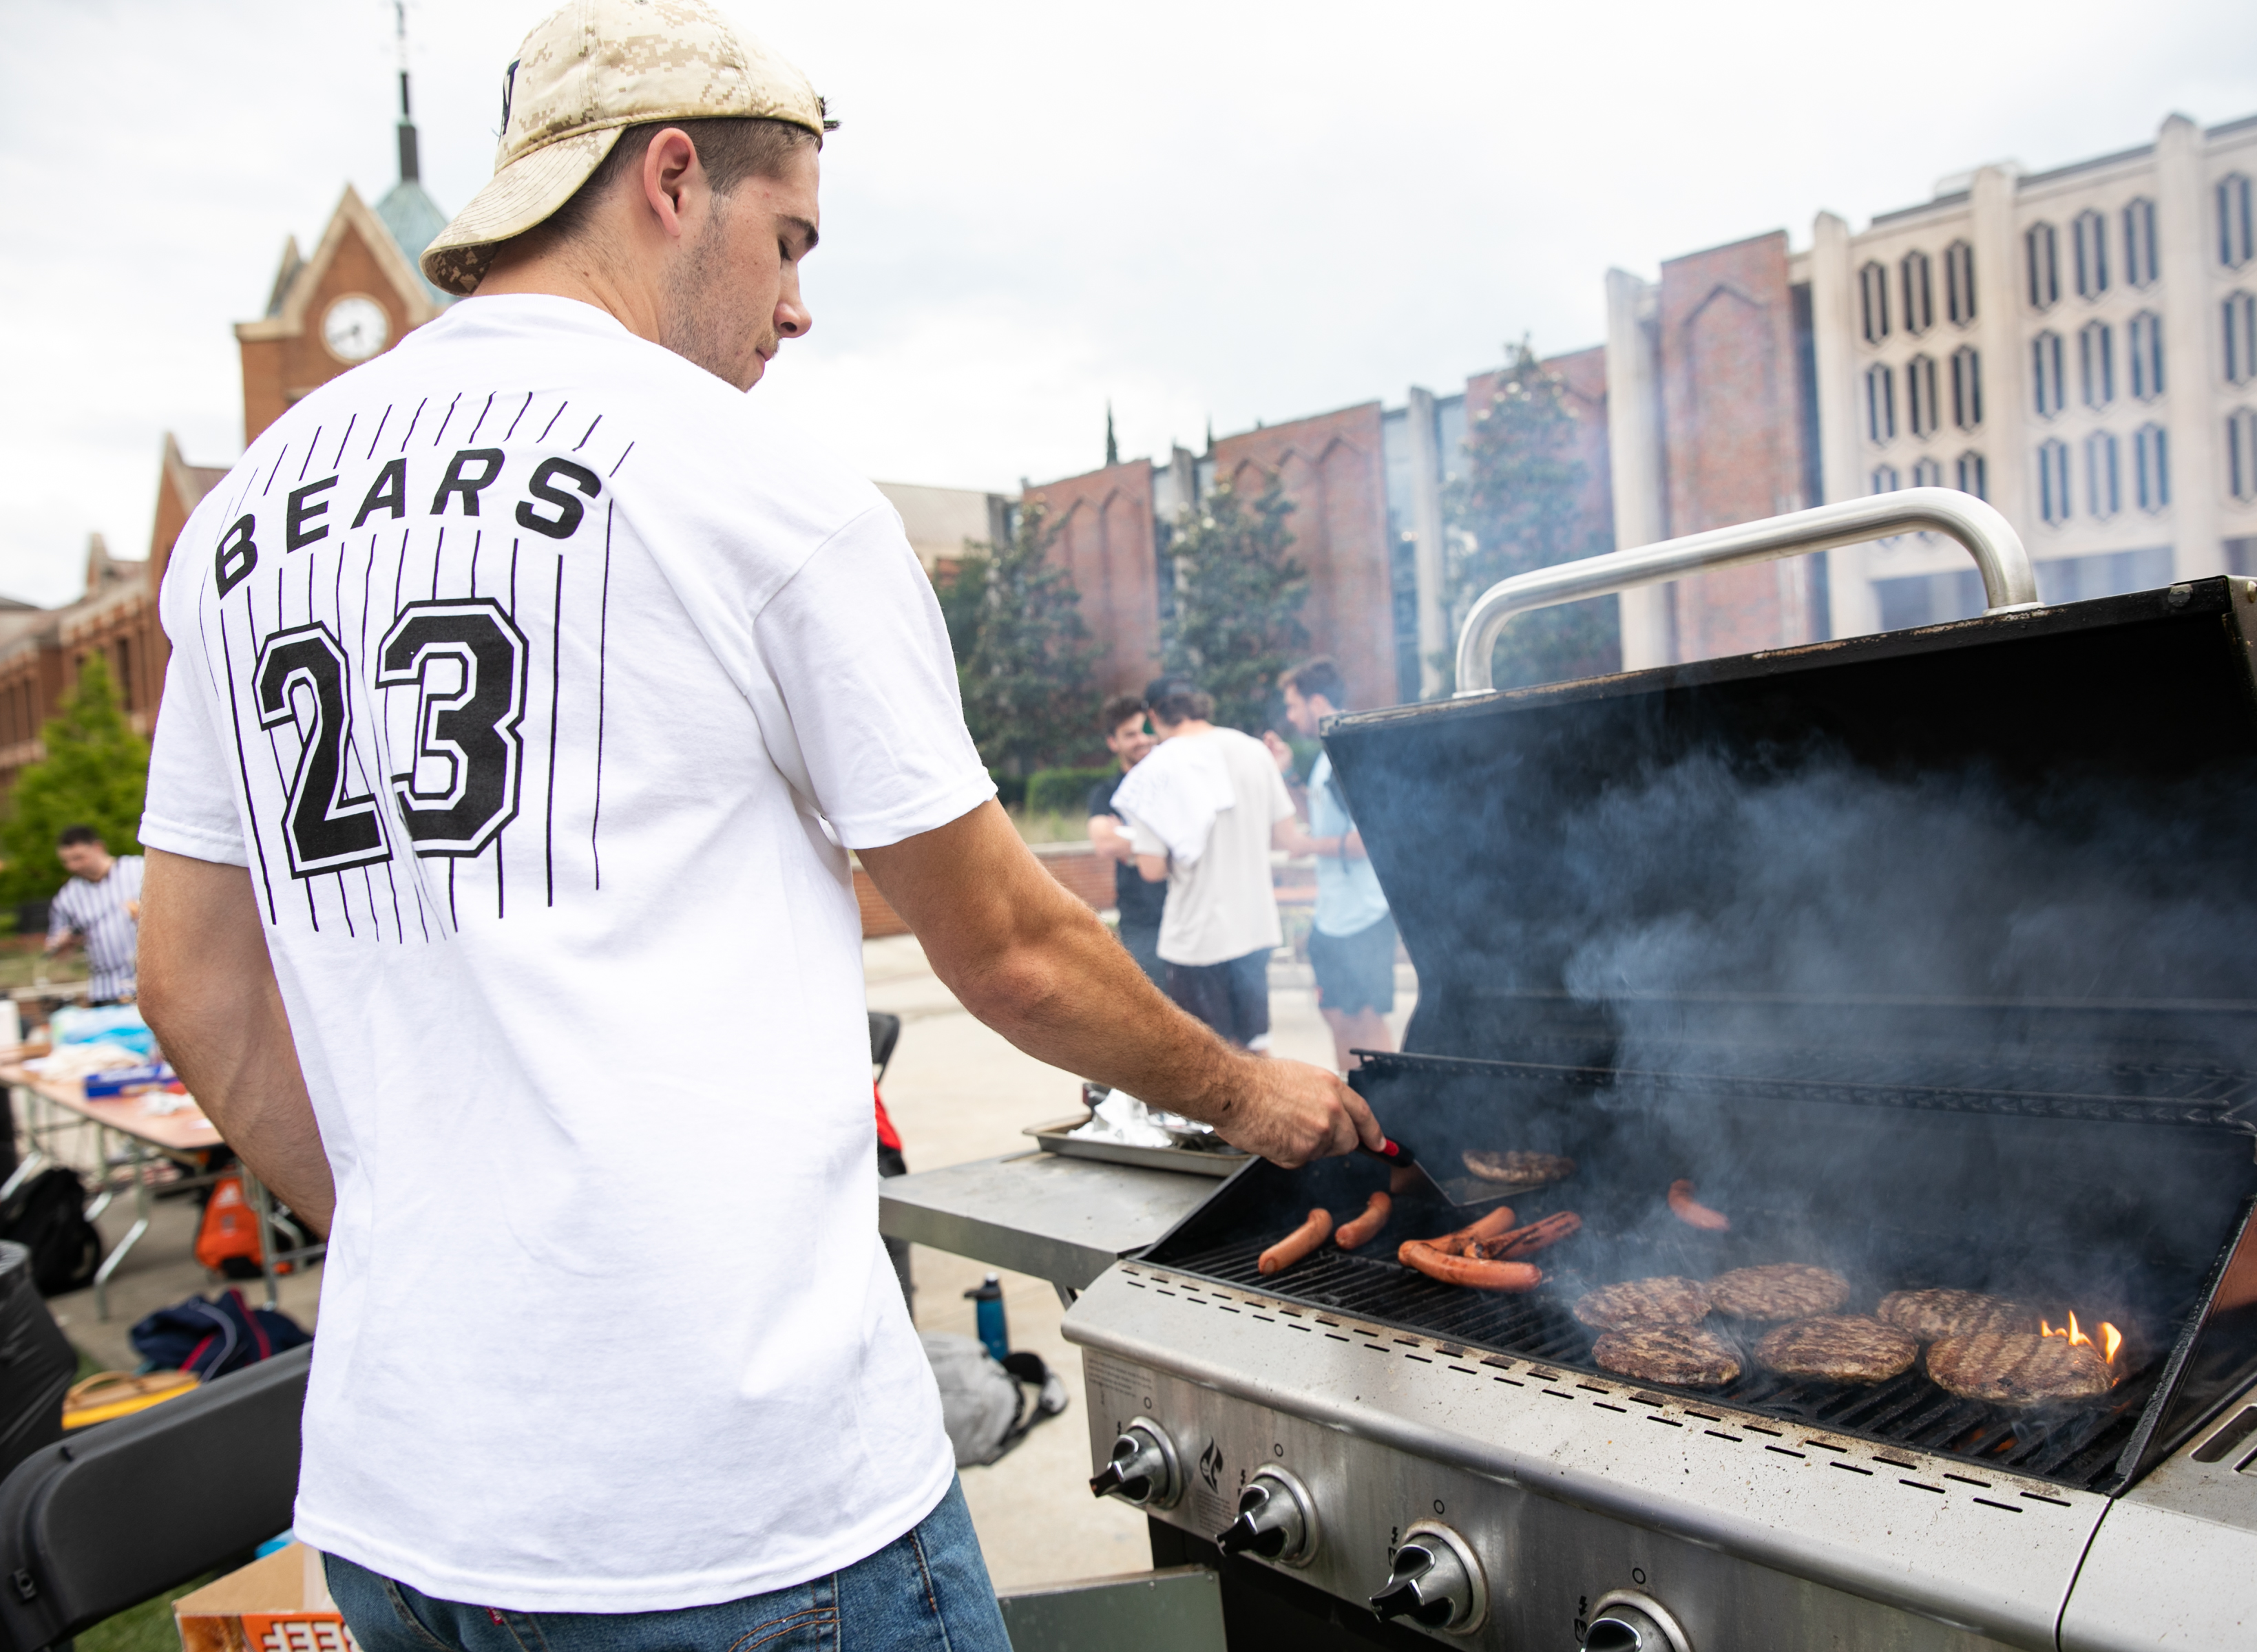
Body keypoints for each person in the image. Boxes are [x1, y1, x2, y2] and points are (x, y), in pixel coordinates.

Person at [132, 6, 1379, 1647]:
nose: (800, 302)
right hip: (737, 1520)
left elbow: (198, 993)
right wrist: (1253, 1090)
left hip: (405, 1503)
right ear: (668, 179)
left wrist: (449, 1253)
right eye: (787, 238)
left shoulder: (242, 519)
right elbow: (1004, 946)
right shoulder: (754, 486)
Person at [1113, 678, 1310, 1050]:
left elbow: (1152, 870)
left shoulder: (1156, 770)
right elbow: (1286, 838)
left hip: (1197, 938)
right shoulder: (1254, 752)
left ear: (1153, 716)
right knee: (1256, 1048)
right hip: (1254, 927)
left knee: (1210, 1058)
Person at [1263, 659, 1398, 1071]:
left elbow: (1372, 840)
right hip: (1333, 918)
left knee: (1366, 1021)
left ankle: (1394, 1116)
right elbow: (1321, 819)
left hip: (1364, 915)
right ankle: (1354, 1106)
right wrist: (1287, 774)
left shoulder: (1351, 754)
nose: (1290, 716)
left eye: (1293, 706)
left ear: (1317, 701)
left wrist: (1306, 847)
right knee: (1336, 1015)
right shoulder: (1326, 757)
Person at [1085, 694, 1168, 988]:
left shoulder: (1173, 782)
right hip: (1140, 920)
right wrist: (1168, 843)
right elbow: (1105, 843)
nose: (1142, 740)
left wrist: (1130, 838)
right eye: (1130, 735)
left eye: (1145, 731)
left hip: (1185, 912)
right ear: (1113, 742)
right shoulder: (1106, 793)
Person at [45, 826, 143, 1006]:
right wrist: (63, 944)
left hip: (148, 984)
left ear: (98, 848)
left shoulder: (138, 868)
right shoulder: (67, 897)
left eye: (79, 858)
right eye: (66, 861)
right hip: (105, 991)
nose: (73, 866)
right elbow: (55, 953)